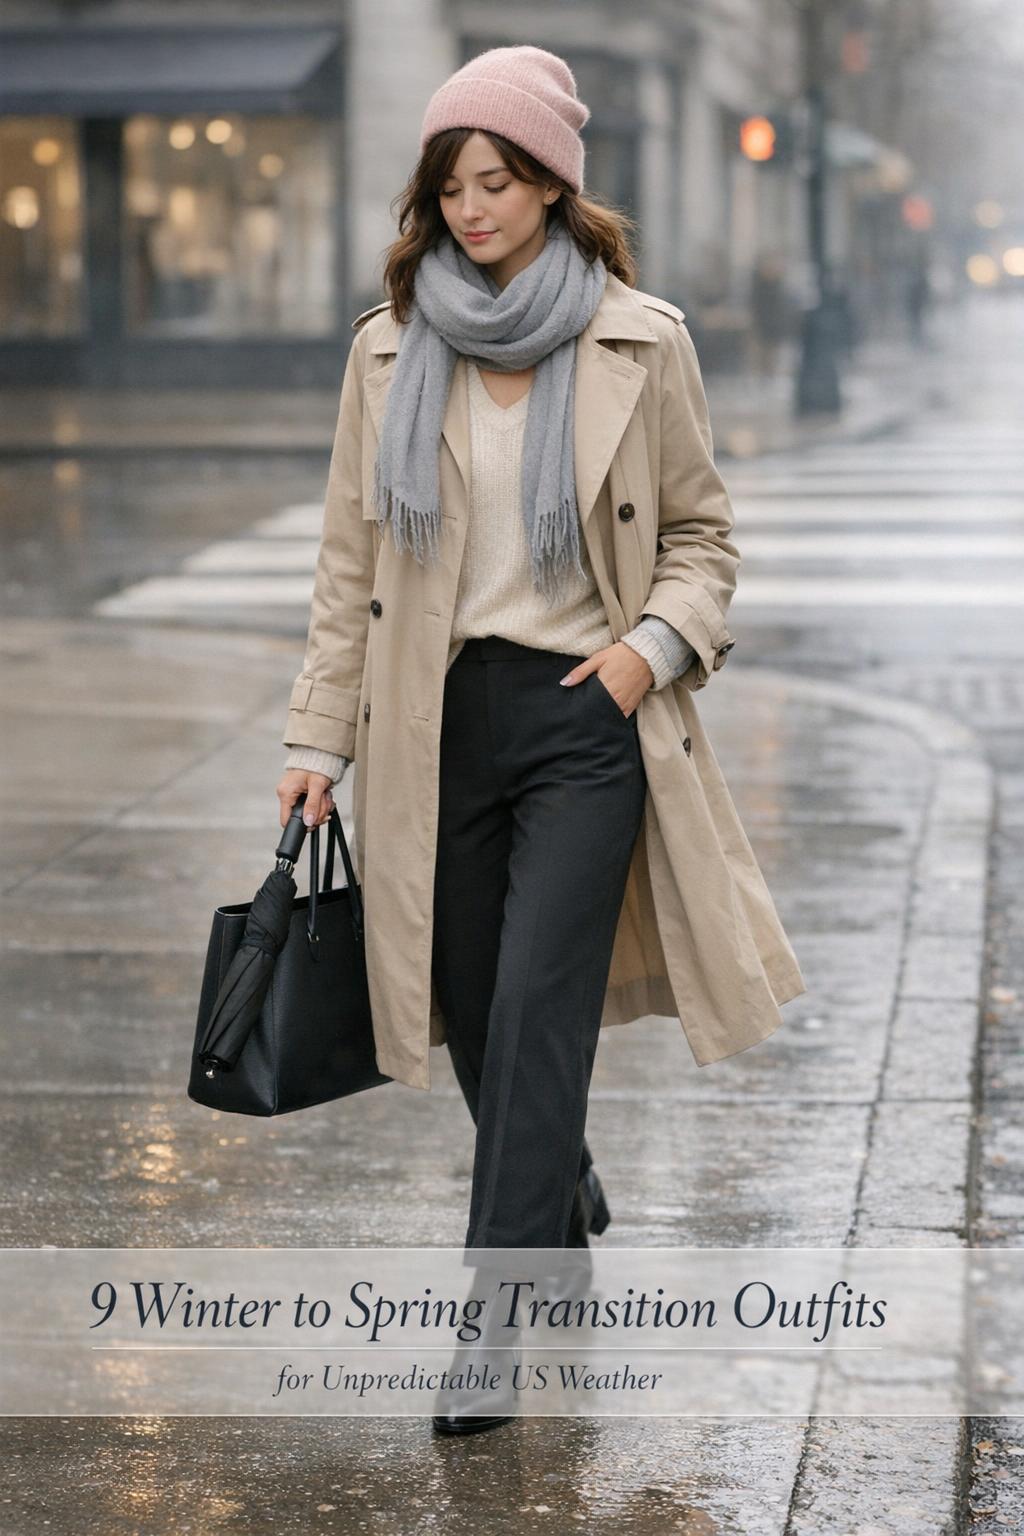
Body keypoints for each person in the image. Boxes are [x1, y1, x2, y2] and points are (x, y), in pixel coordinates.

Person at [275, 45, 804, 1435]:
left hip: (585, 718)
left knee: (537, 1009)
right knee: (472, 1008)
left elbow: (702, 539)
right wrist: (317, 742)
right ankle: (554, 1181)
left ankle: (493, 1331)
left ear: (554, 187)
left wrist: (643, 656)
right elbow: (349, 563)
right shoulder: (387, 348)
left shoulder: (640, 339)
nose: (471, 209)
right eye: (451, 186)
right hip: (436, 726)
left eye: (497, 183)